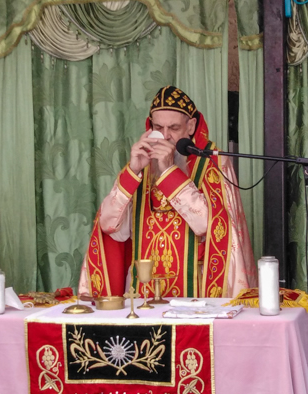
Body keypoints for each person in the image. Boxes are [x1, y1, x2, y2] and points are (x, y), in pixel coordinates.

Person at [78, 86, 257, 299]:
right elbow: (110, 227)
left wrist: (169, 172)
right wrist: (132, 172)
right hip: (142, 294)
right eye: (158, 127)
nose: (165, 136)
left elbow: (211, 226)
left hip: (197, 294)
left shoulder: (213, 163)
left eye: (173, 128)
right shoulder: (140, 167)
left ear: (191, 126)